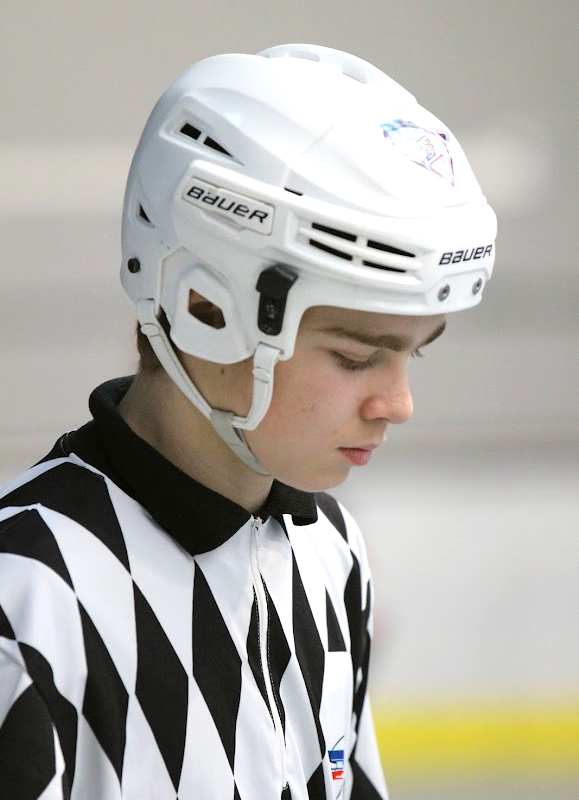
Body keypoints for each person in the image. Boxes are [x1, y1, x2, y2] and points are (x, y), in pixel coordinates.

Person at [0, 43, 496, 800]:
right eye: (357, 357)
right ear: (204, 308)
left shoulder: (328, 550)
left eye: (412, 358)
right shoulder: (25, 591)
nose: (396, 404)